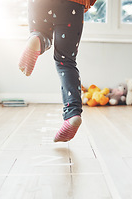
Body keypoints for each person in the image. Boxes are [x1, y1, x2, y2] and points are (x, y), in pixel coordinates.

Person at [19, 0, 96, 142]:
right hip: (72, 5)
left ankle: (38, 38)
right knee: (66, 61)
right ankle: (72, 113)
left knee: (40, 32)